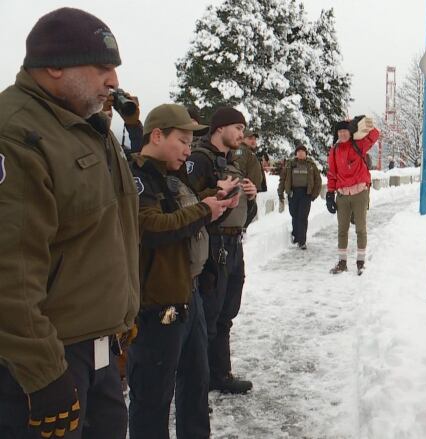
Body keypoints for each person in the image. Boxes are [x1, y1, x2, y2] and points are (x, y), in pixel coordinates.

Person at [0, 8, 139, 439]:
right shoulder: (18, 134)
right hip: (44, 366)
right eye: (102, 67)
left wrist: (123, 315)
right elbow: (10, 271)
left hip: (100, 351)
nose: (113, 80)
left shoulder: (86, 127)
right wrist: (44, 375)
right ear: (54, 65)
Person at [127, 104, 234, 438]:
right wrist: (205, 210)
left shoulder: (171, 173)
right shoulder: (138, 176)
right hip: (156, 306)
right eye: (183, 141)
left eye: (191, 143)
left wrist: (213, 199)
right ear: (157, 135)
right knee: (152, 401)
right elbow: (152, 226)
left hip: (189, 295)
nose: (189, 150)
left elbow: (181, 210)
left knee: (196, 386)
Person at [186, 107, 255, 394]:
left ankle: (219, 374)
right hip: (213, 245)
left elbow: (243, 214)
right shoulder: (200, 161)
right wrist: (219, 195)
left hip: (234, 244)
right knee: (209, 317)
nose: (242, 134)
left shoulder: (231, 164)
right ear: (219, 128)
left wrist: (249, 199)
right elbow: (188, 203)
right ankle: (197, 384)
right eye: (237, 128)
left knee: (226, 313)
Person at [326, 116, 380, 275]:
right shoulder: (334, 150)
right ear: (337, 134)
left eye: (345, 131)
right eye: (340, 131)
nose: (342, 134)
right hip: (342, 195)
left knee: (361, 229)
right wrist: (330, 193)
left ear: (350, 132)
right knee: (342, 229)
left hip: (359, 194)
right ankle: (342, 263)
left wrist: (360, 121)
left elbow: (375, 134)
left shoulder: (359, 145)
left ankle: (360, 262)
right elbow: (332, 174)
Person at [278, 146, 322, 249]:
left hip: (306, 194)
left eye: (302, 152)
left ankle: (302, 241)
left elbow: (318, 181)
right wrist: (280, 192)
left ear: (306, 153)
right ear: (296, 153)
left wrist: (314, 195)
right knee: (294, 215)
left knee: (302, 217)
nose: (301, 153)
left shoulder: (311, 165)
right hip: (293, 193)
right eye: (299, 152)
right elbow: (282, 179)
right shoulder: (290, 164)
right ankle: (296, 235)